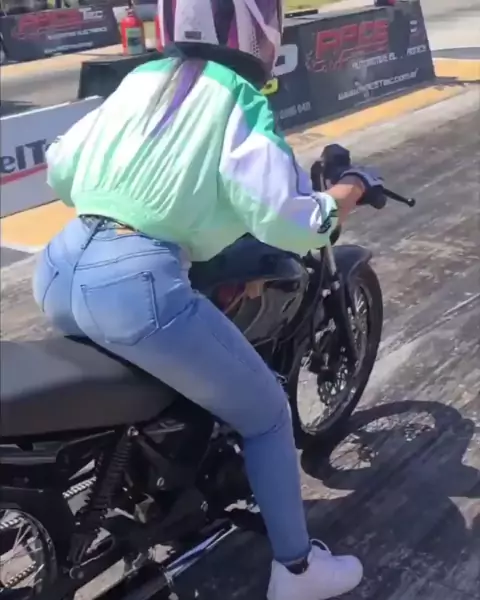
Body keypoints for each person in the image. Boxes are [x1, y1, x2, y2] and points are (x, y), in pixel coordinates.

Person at [33, 2, 385, 598]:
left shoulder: (142, 78)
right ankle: (298, 571)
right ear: (257, 29)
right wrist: (347, 193)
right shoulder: (238, 98)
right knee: (267, 414)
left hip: (60, 267)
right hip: (133, 284)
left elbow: (61, 168)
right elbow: (289, 220)